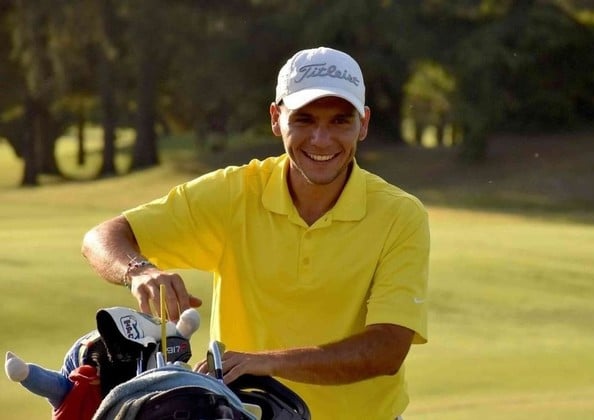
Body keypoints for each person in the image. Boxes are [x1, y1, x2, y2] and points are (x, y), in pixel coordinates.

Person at [82, 46, 430, 420]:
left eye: (340, 121)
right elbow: (102, 238)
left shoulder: (399, 214)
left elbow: (387, 349)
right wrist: (139, 271)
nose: (321, 139)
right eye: (304, 120)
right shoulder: (234, 194)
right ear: (276, 119)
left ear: (363, 123)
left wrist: (265, 362)